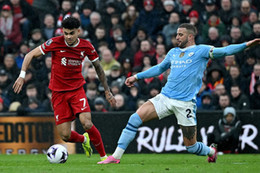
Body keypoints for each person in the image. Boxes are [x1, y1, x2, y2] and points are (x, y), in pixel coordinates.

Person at [98, 23, 260, 164]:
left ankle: (211, 152)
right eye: (176, 34)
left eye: (180, 34)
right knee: (134, 118)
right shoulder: (173, 52)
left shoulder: (201, 50)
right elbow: (160, 68)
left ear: (190, 36)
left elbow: (225, 51)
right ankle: (116, 156)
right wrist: (136, 76)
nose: (177, 37)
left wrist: (245, 45)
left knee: (191, 146)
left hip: (185, 104)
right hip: (165, 97)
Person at [13, 17, 116, 163]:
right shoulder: (55, 42)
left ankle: (104, 157)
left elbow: (98, 67)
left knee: (86, 123)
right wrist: (22, 75)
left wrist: (107, 90)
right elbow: (30, 55)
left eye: (71, 33)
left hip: (76, 90)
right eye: (66, 33)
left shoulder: (87, 46)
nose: (68, 36)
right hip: (58, 93)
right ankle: (83, 139)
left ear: (78, 32)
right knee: (65, 136)